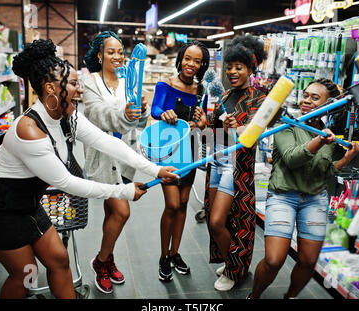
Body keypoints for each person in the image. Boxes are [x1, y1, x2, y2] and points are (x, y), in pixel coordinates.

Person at [0, 39, 178, 299]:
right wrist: (123, 191)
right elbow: (67, 182)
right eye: (74, 84)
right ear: (51, 87)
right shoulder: (29, 130)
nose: (80, 90)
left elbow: (105, 141)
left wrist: (154, 170)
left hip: (27, 203)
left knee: (59, 260)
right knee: (25, 274)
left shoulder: (67, 116)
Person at [249, 78, 359, 299]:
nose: (307, 100)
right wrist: (320, 141)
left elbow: (324, 170)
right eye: (306, 95)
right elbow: (291, 159)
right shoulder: (287, 124)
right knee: (273, 261)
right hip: (283, 196)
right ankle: (254, 296)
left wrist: (345, 160)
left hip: (315, 198)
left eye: (315, 98)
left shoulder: (327, 132)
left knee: (308, 260)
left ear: (329, 104)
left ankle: (290, 296)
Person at [82, 31, 150, 294]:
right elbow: (96, 113)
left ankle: (108, 258)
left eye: (120, 52)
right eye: (111, 52)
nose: (117, 56)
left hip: (125, 155)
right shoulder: (91, 82)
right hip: (104, 156)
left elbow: (138, 121)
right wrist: (123, 112)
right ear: (99, 55)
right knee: (122, 211)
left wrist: (140, 111)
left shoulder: (127, 80)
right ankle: (101, 262)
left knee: (113, 213)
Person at [204, 35, 267, 291]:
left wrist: (238, 128)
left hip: (236, 166)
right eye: (229, 67)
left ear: (251, 69)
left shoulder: (259, 98)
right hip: (217, 160)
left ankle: (234, 269)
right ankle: (234, 262)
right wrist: (203, 123)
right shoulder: (225, 94)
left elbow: (254, 134)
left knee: (221, 221)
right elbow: (213, 132)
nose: (232, 71)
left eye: (239, 67)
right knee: (214, 218)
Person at [150, 41, 209, 282]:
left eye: (197, 61)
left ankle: (175, 253)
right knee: (172, 205)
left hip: (191, 150)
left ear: (202, 65)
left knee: (184, 203)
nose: (191, 65)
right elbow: (154, 109)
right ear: (180, 59)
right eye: (188, 59)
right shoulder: (165, 84)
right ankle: (164, 256)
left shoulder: (201, 91)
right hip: (168, 151)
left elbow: (202, 120)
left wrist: (203, 122)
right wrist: (163, 113)